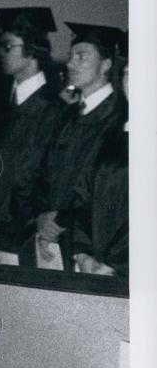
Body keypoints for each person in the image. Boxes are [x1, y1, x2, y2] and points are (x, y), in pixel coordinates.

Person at [29, 22, 126, 270]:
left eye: (82, 57)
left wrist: (63, 219)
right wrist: (41, 214)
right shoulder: (65, 115)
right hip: (51, 239)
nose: (71, 64)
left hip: (92, 245)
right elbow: (41, 171)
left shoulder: (118, 121)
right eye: (71, 56)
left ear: (106, 64)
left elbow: (104, 189)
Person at [0, 8, 66, 263]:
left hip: (26, 236)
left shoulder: (53, 109)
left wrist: (5, 224)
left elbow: (41, 178)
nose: (0, 52)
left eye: (8, 46)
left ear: (33, 50)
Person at [71, 56, 129, 279]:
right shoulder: (112, 135)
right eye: (127, 71)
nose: (132, 80)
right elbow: (83, 195)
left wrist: (115, 264)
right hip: (93, 264)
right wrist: (83, 253)